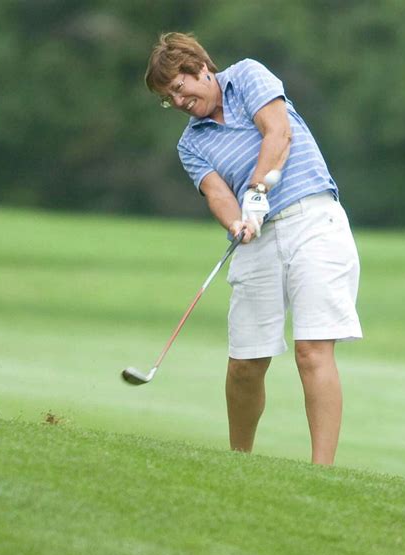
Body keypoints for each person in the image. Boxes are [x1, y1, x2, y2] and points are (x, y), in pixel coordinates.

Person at [145, 32, 362, 465]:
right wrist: (237, 221)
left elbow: (277, 133)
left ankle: (322, 471)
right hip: (257, 240)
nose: (178, 101)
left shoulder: (246, 76)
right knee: (245, 363)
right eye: (169, 98)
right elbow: (216, 193)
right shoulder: (191, 143)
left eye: (179, 87)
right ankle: (239, 463)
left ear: (199, 67)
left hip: (313, 221)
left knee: (312, 350)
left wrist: (258, 189)